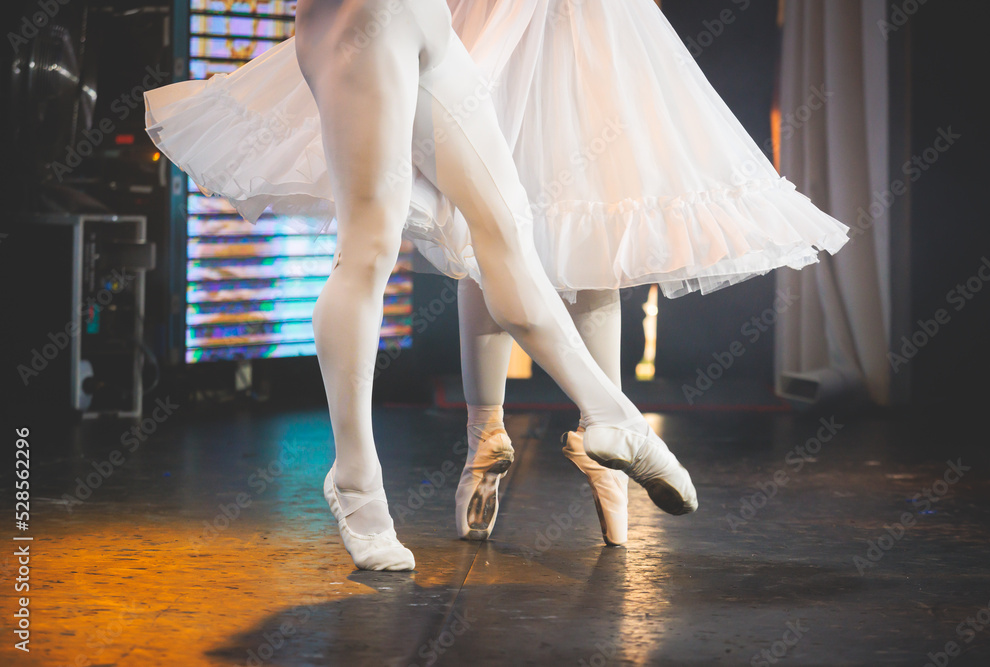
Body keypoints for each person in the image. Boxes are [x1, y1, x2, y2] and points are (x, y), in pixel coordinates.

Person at [145, 0, 699, 572]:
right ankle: (354, 478)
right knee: (367, 251)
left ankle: (613, 416)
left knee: (507, 232)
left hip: (427, 17)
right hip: (364, 20)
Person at [440, 0, 852, 547]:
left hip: (551, 23)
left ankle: (501, 436)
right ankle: (581, 437)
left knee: (528, 220)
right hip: (546, 25)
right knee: (530, 220)